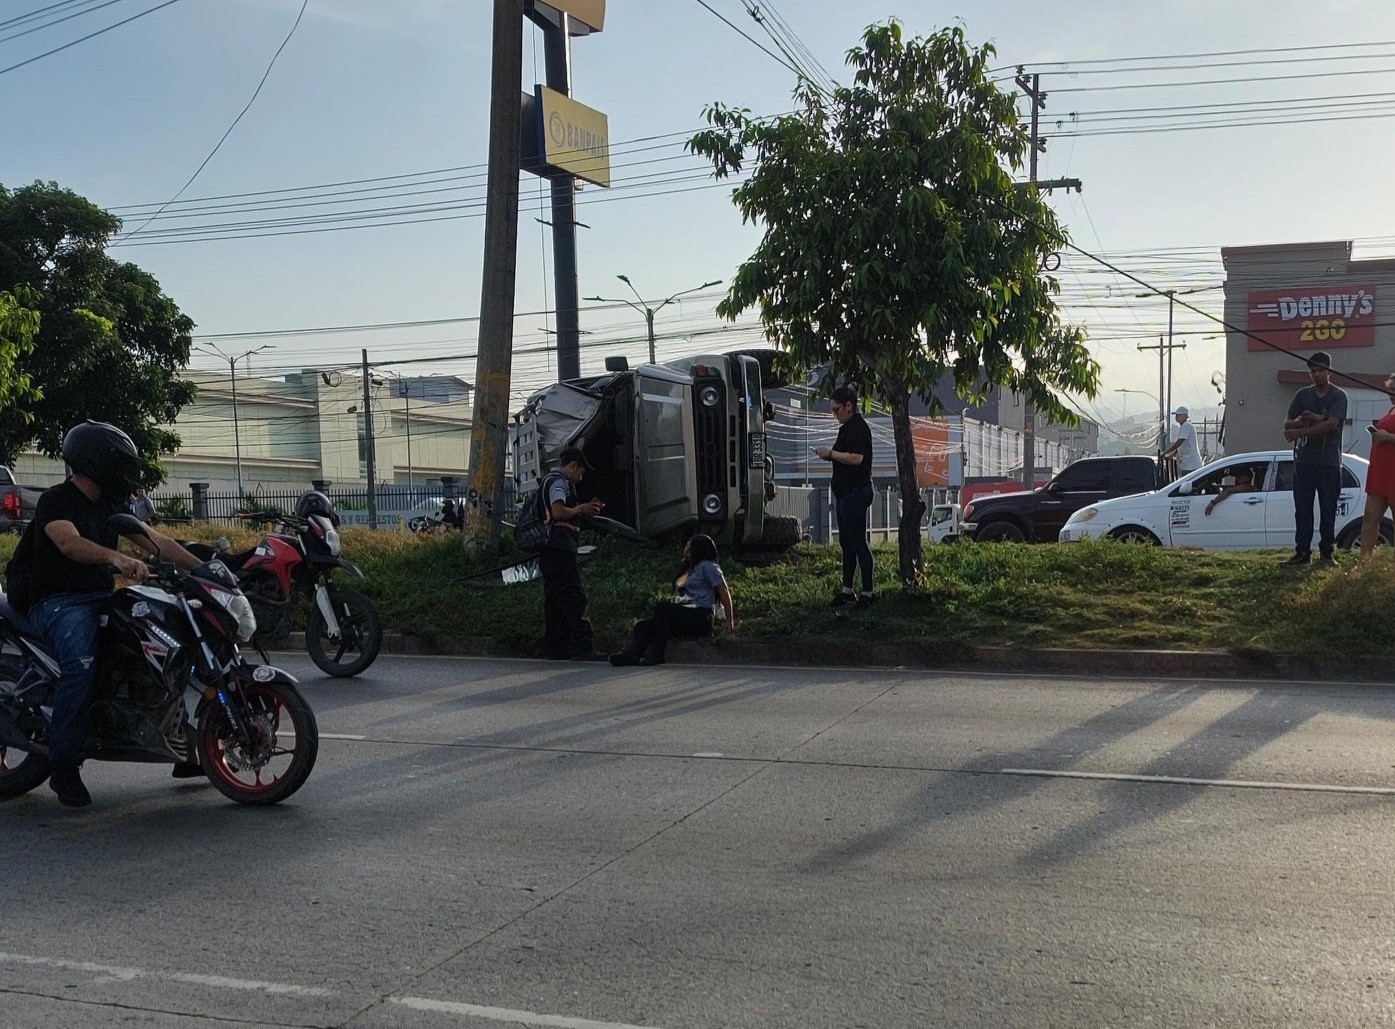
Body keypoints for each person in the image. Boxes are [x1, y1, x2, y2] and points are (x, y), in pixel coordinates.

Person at [2, 421, 202, 807]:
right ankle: (64, 766)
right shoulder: (56, 501)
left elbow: (156, 541)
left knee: (161, 647)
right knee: (80, 664)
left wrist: (206, 568)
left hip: (98, 596)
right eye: (121, 464)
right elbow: (69, 543)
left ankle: (186, 747)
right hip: (54, 601)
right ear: (97, 463)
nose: (126, 473)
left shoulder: (111, 505)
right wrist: (116, 557)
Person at [609, 534, 736, 667]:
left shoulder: (708, 566)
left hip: (701, 616)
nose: (686, 549)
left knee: (663, 608)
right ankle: (633, 655)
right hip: (684, 614)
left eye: (689, 547)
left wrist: (729, 622)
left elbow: (724, 592)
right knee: (643, 626)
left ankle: (657, 655)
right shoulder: (688, 567)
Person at [1282, 351, 1348, 566]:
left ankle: (1327, 553)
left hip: (1329, 462)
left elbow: (1332, 424)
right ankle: (1302, 553)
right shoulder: (1303, 395)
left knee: (1328, 509)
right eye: (1313, 371)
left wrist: (1304, 430)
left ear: (1329, 371)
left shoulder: (1339, 396)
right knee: (1302, 509)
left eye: (1320, 370)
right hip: (1304, 461)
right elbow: (1287, 423)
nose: (1317, 374)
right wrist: (1302, 421)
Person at [540, 446, 606, 661]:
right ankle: (582, 648)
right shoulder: (559, 482)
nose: (581, 477)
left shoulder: (553, 481)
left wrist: (583, 510)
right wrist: (580, 509)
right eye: (581, 472)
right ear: (574, 466)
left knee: (555, 601)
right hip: (559, 549)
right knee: (574, 597)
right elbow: (558, 512)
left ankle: (556, 648)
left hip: (551, 550)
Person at [815, 385, 874, 611]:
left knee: (858, 543)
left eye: (836, 409)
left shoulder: (857, 427)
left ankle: (868, 592)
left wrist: (830, 454)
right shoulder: (847, 428)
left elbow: (856, 458)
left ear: (849, 406)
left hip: (856, 491)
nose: (835, 414)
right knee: (846, 543)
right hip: (845, 493)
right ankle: (847, 591)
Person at [1360, 371, 1395, 556]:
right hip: (1380, 472)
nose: (1391, 394)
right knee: (1370, 516)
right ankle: (1364, 561)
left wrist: (1388, 437)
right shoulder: (1390, 411)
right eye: (1390, 389)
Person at [1161, 406, 1202, 475]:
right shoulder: (1183, 427)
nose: (1177, 417)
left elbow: (1180, 442)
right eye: (1176, 415)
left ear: (1185, 416)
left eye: (1179, 415)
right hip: (1187, 465)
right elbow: (1181, 446)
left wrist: (1166, 452)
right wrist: (1172, 454)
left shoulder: (1186, 426)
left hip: (1191, 465)